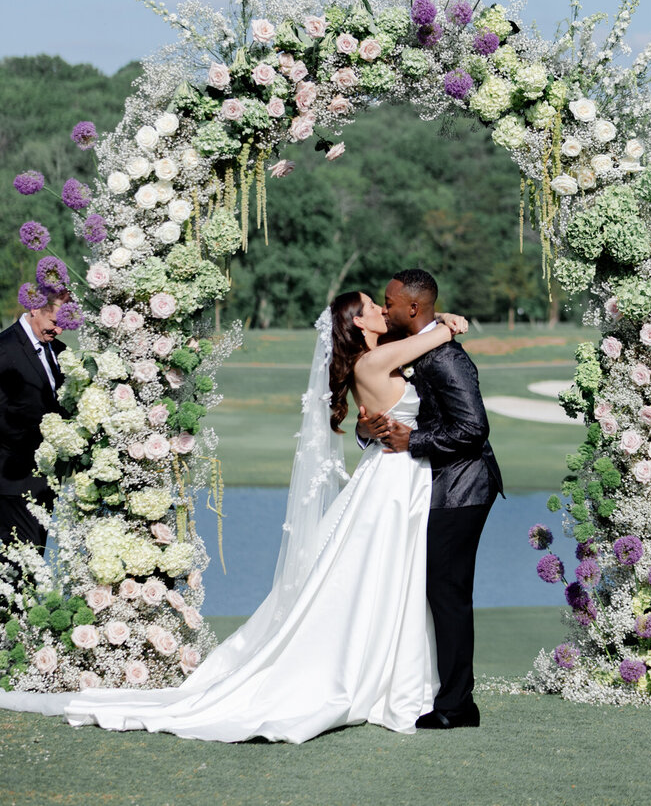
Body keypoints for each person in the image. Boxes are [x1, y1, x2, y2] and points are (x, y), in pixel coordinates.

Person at [0, 292, 464, 744]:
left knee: (385, 576)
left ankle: (386, 670)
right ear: (359, 323)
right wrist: (446, 323)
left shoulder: (379, 353)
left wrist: (433, 324)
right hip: (394, 479)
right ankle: (374, 676)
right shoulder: (374, 361)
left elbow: (414, 340)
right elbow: (431, 335)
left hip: (398, 478)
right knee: (381, 574)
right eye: (372, 307)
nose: (384, 310)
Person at [358, 268, 503, 730]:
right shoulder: (419, 350)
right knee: (436, 591)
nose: (384, 309)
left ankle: (458, 705)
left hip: (462, 489)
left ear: (413, 308)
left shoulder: (446, 359)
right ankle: (441, 692)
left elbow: (473, 429)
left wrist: (415, 441)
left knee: (448, 593)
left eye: (390, 302)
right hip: (437, 488)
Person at [0, 292, 68, 553]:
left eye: (64, 324)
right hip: (12, 482)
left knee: (31, 565)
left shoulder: (60, 351)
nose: (59, 329)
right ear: (34, 310)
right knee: (18, 572)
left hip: (43, 484)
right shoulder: (5, 349)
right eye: (54, 321)